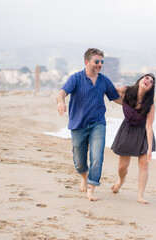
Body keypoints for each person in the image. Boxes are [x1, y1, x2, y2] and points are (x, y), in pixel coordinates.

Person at [56, 48, 121, 201]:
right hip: (78, 124)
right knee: (79, 161)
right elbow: (62, 92)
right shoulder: (76, 78)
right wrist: (60, 102)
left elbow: (116, 98)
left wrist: (134, 106)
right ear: (87, 62)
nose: (100, 64)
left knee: (97, 157)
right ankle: (84, 178)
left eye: (101, 62)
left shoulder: (104, 80)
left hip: (98, 123)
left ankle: (91, 190)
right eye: (96, 61)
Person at [111, 73, 156, 204]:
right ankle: (121, 180)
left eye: (151, 81)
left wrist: (149, 149)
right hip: (127, 130)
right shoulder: (127, 90)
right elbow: (111, 89)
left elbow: (149, 126)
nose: (148, 81)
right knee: (122, 167)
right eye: (146, 78)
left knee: (144, 164)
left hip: (142, 132)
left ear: (151, 88)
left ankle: (140, 196)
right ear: (140, 80)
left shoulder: (150, 104)